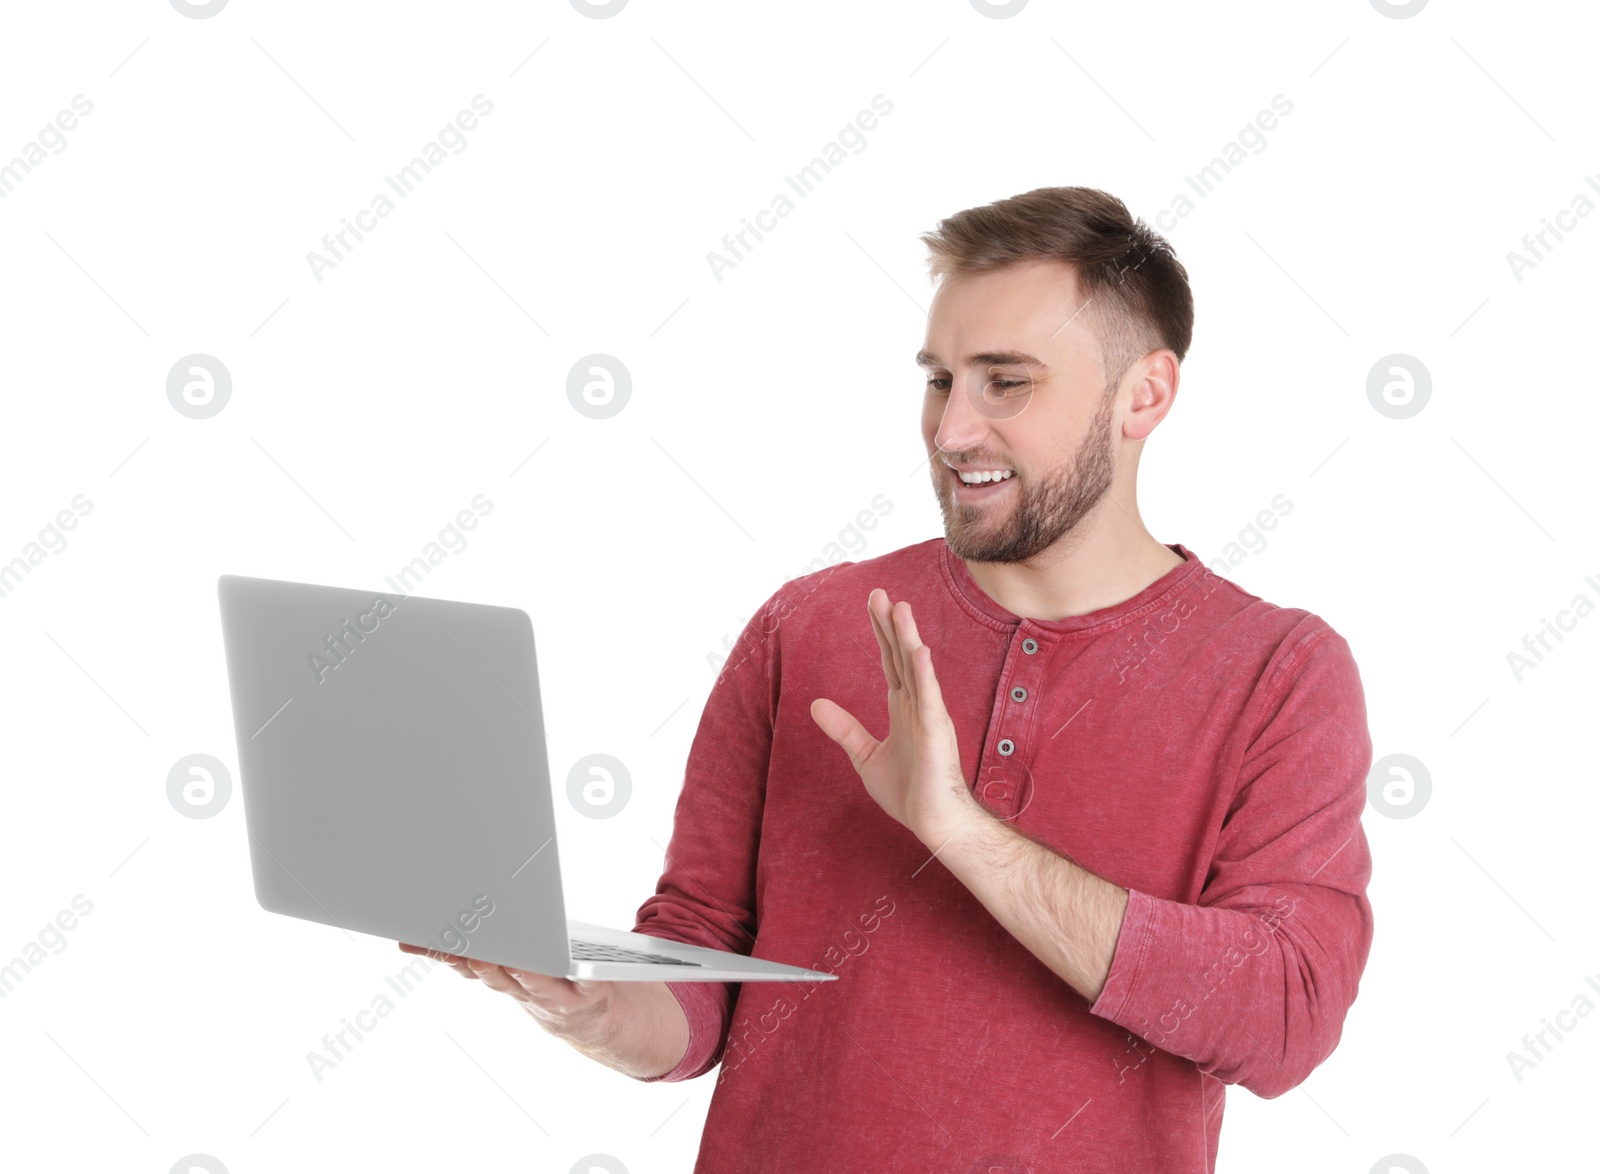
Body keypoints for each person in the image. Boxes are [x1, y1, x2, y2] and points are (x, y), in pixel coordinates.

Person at [402, 185, 1374, 1173]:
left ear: (1144, 394)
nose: (952, 430)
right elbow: (702, 960)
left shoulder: (1279, 673)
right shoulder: (808, 624)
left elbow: (1284, 1019)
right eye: (939, 378)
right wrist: (597, 1006)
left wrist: (958, 830)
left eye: (1006, 382)